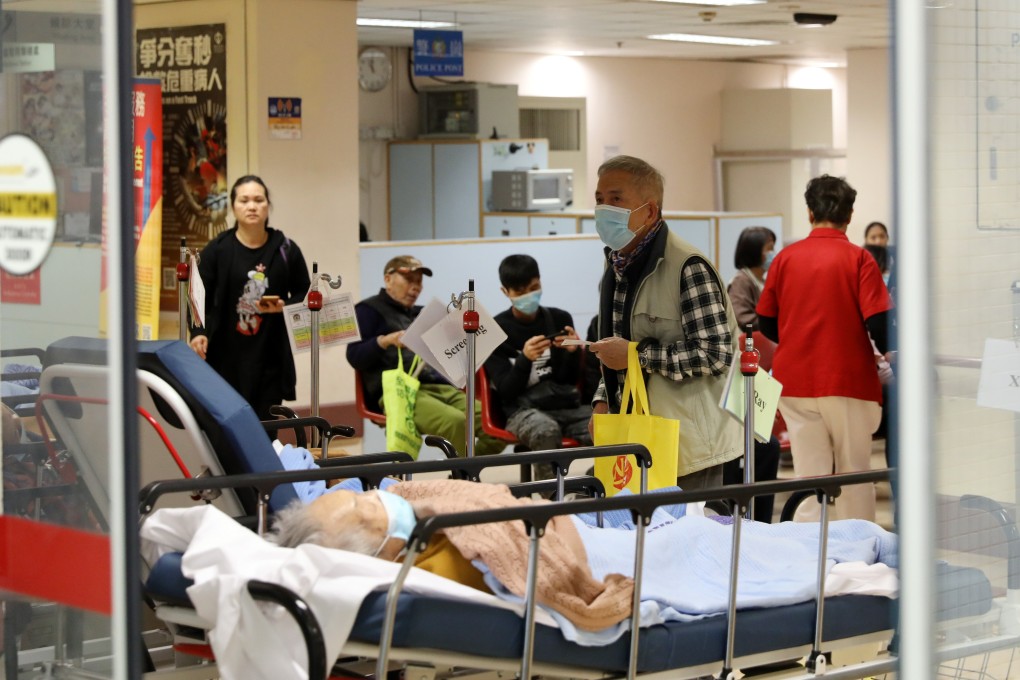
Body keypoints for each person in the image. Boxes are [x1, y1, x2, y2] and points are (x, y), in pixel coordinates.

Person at [270, 478, 898, 631]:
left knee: (705, 532)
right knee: (706, 544)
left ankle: (852, 541)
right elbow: (536, 570)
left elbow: (483, 497)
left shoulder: (415, 529)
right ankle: (848, 550)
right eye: (361, 508)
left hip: (598, 537)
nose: (367, 495)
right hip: (604, 556)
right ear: (377, 549)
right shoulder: (431, 561)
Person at [587, 155, 740, 489]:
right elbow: (617, 346)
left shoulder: (687, 266)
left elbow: (715, 354)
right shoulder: (616, 266)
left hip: (689, 444)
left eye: (616, 199)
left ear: (650, 211)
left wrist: (637, 355)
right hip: (633, 434)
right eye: (599, 200)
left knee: (686, 538)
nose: (603, 209)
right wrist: (603, 396)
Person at [757, 175, 893, 522]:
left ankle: (809, 557)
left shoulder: (785, 259)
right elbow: (879, 323)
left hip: (797, 381)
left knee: (808, 477)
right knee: (854, 474)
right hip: (848, 379)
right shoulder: (860, 260)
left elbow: (766, 321)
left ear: (809, 213)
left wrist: (796, 340)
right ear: (849, 215)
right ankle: (857, 560)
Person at [346, 256, 505, 457]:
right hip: (400, 391)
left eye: (419, 282)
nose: (415, 287)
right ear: (388, 279)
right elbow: (354, 356)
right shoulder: (368, 311)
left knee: (493, 421)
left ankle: (462, 471)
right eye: (409, 280)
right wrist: (384, 341)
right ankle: (462, 478)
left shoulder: (423, 314)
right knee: (455, 421)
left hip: (439, 386)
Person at [188, 175, 311, 419]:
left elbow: (305, 292)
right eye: (244, 200)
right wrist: (198, 332)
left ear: (268, 207)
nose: (252, 206)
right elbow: (197, 295)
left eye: (258, 200)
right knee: (228, 429)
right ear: (233, 206)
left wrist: (284, 305)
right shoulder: (218, 249)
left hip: (270, 358)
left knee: (266, 430)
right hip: (224, 357)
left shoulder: (286, 249)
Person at [483, 255, 593, 469]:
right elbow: (505, 392)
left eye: (533, 287)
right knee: (546, 431)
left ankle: (601, 485)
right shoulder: (494, 331)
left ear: (540, 281)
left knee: (609, 424)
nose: (528, 296)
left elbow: (567, 380)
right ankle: (551, 498)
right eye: (520, 292)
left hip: (563, 404)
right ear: (505, 292)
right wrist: (524, 359)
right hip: (521, 412)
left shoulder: (560, 318)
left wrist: (572, 352)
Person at [727, 226, 777, 331]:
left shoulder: (761, 281)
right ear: (754, 251)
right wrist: (774, 325)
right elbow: (742, 318)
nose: (773, 253)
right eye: (770, 248)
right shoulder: (741, 281)